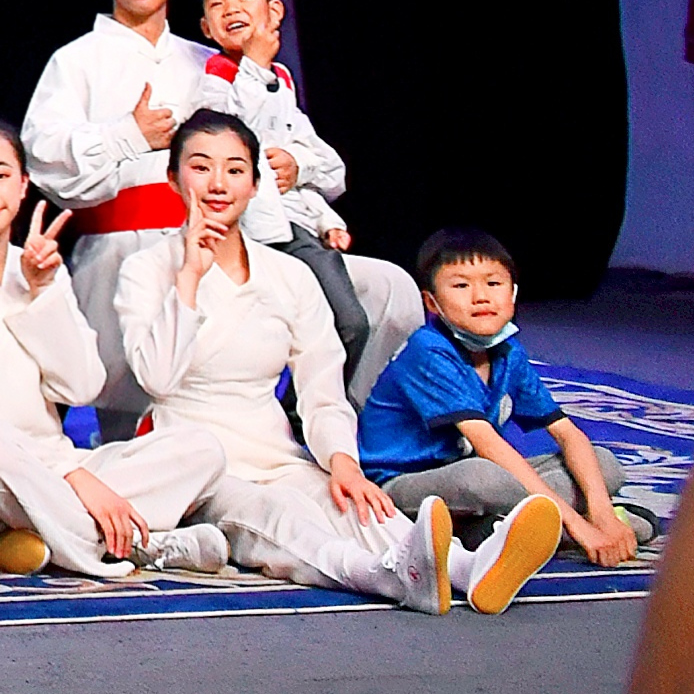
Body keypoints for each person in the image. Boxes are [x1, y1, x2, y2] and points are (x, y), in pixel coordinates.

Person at [120, 112, 541, 611]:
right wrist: (189, 278)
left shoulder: (289, 274)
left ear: (255, 184)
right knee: (281, 516)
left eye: (234, 169)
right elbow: (157, 377)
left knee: (356, 505)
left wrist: (343, 463)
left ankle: (466, 568)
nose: (217, 184)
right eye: (200, 167)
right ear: (173, 178)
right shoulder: (146, 268)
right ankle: (388, 578)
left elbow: (322, 389)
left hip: (275, 452)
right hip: (197, 460)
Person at [0, 117, 233, 580]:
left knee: (201, 447)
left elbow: (82, 386)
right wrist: (73, 478)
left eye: (0, 174)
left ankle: (61, 532)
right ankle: (136, 544)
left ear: (23, 185)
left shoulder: (43, 268)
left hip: (54, 466)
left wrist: (42, 293)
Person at [358, 226, 656, 577]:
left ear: (513, 293)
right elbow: (487, 444)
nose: (481, 297)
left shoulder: (508, 351)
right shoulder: (429, 351)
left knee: (604, 464)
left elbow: (566, 433)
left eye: (493, 283)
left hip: (476, 477)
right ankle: (542, 529)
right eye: (461, 286)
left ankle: (499, 531)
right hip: (401, 483)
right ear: (432, 303)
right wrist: (580, 525)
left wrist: (602, 512)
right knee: (486, 479)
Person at [22, 0, 220, 431]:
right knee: (124, 420)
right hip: (114, 251)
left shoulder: (207, 63)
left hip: (204, 251)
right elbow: (44, 154)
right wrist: (128, 136)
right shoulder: (75, 60)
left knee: (214, 404)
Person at [195, 0, 424, 401]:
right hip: (258, 233)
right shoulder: (217, 76)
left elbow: (329, 169)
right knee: (346, 322)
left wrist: (305, 179)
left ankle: (341, 409)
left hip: (298, 225)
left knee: (377, 302)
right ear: (206, 27)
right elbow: (227, 139)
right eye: (217, 5)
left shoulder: (281, 79)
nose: (231, 9)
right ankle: (306, 414)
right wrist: (254, 66)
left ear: (274, 11)